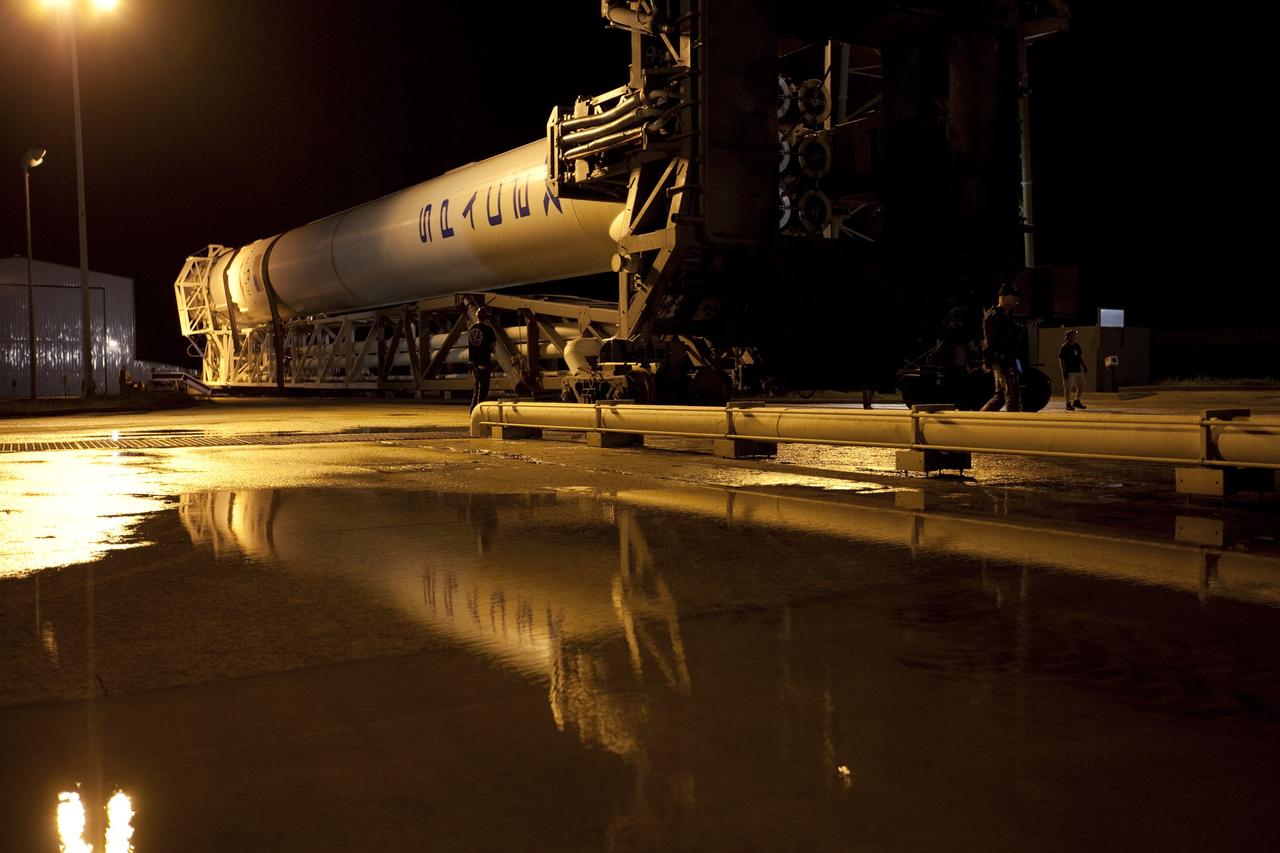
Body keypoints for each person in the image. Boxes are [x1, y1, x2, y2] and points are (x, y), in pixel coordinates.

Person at [980, 282, 1022, 412]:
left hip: (1005, 360)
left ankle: (981, 420)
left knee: (1000, 397)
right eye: (1014, 296)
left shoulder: (1005, 316)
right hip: (1002, 361)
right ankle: (1013, 427)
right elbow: (990, 341)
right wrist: (988, 361)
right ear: (1003, 297)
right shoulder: (994, 315)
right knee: (1012, 397)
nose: (1017, 299)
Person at [467, 310, 496, 410]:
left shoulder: (471, 329)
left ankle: (472, 410)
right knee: (483, 390)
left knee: (476, 389)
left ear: (477, 316)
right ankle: (479, 412)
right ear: (486, 318)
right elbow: (493, 347)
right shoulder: (488, 329)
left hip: (473, 363)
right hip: (483, 362)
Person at [1058, 329, 1087, 410]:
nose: (1075, 336)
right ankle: (1068, 403)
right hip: (1069, 371)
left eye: (1075, 335)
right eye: (1073, 335)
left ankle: (1076, 401)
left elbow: (1080, 357)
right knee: (1068, 388)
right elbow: (1061, 359)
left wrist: (1084, 366)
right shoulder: (1064, 347)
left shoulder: (1077, 346)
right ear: (1069, 337)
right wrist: (1064, 370)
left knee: (1082, 385)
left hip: (1078, 370)